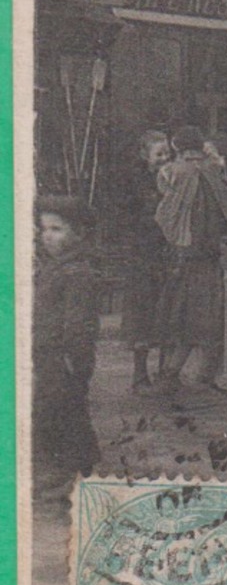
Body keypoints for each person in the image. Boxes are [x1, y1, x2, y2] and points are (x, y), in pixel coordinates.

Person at [155, 126, 227, 394]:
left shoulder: (174, 171)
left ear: (178, 147)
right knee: (211, 315)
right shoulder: (215, 171)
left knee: (181, 315)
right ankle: (206, 373)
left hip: (185, 254)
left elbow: (165, 212)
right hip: (214, 253)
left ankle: (170, 373)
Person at [33, 197, 102, 497]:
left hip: (64, 356)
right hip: (48, 353)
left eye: (57, 229)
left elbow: (79, 321)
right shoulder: (53, 268)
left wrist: (74, 357)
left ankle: (67, 472)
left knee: (60, 409)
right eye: (43, 228)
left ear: (80, 234)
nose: (47, 235)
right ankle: (83, 467)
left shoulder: (77, 273)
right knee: (64, 410)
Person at [122, 129, 169, 393]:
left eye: (166, 153)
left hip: (165, 254)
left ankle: (165, 374)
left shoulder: (170, 177)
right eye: (158, 154)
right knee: (142, 316)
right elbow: (137, 212)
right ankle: (139, 375)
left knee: (167, 314)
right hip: (143, 255)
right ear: (145, 156)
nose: (163, 158)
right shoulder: (137, 181)